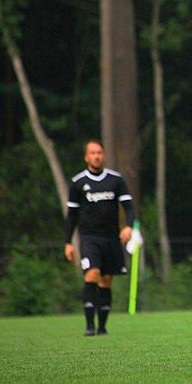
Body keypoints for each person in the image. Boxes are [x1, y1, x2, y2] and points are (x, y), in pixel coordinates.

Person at [64, 140, 134, 336]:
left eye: (99, 153)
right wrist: (68, 242)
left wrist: (128, 226)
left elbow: (129, 207)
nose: (96, 156)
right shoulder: (78, 183)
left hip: (111, 238)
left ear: (103, 156)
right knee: (92, 274)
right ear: (86, 157)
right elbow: (71, 216)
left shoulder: (115, 180)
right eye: (92, 153)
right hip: (89, 238)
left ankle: (102, 327)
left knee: (106, 279)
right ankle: (89, 325)